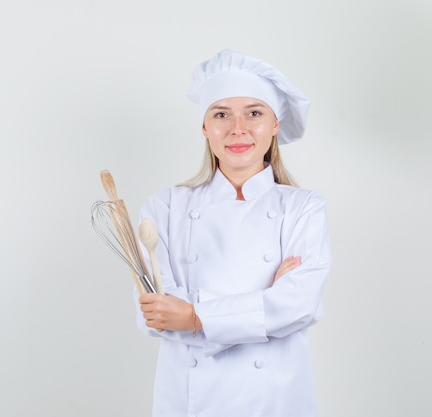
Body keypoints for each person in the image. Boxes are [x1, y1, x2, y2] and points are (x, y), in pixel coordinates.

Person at [137, 49, 332, 417]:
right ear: (205, 126)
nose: (237, 129)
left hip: (274, 399)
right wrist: (263, 305)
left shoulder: (304, 207)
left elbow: (298, 305)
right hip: (187, 399)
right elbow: (154, 313)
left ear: (275, 124)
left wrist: (195, 318)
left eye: (254, 113)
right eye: (221, 114)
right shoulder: (164, 207)